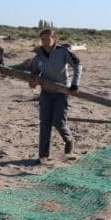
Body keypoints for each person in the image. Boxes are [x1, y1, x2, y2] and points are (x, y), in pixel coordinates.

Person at [28, 28, 81, 164]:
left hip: (62, 93)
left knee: (58, 122)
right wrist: (32, 82)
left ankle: (69, 140)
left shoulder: (62, 52)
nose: (45, 42)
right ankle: (43, 155)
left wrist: (74, 85)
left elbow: (77, 65)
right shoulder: (38, 55)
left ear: (55, 39)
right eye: (43, 40)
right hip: (46, 93)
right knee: (44, 123)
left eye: (48, 39)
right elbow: (34, 72)